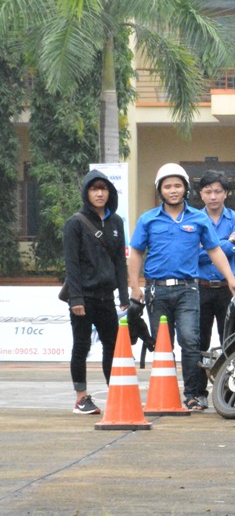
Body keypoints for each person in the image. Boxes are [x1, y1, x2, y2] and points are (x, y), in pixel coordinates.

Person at [128, 163, 235, 411]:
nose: (173, 190)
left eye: (178, 185)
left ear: (186, 189)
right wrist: (135, 286)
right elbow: (136, 252)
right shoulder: (148, 219)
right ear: (160, 190)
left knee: (190, 341)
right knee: (162, 343)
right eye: (167, 186)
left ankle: (193, 395)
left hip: (188, 290)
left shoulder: (198, 219)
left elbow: (214, 250)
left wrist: (231, 278)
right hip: (156, 290)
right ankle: (163, 393)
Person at [63, 170, 129, 415]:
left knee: (112, 346)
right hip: (84, 297)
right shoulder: (75, 223)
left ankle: (117, 394)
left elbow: (120, 262)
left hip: (106, 297)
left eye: (104, 188)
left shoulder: (116, 222)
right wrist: (76, 298)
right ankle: (81, 399)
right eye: (94, 189)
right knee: (81, 346)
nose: (100, 193)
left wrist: (123, 296)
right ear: (86, 193)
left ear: (110, 192)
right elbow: (72, 264)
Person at [196, 171, 235, 405]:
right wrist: (222, 245)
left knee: (230, 340)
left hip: (228, 288)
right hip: (200, 287)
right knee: (199, 341)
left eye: (218, 191)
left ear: (226, 194)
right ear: (201, 194)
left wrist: (208, 247)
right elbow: (191, 253)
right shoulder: (194, 218)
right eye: (208, 191)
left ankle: (227, 391)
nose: (213, 196)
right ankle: (198, 393)